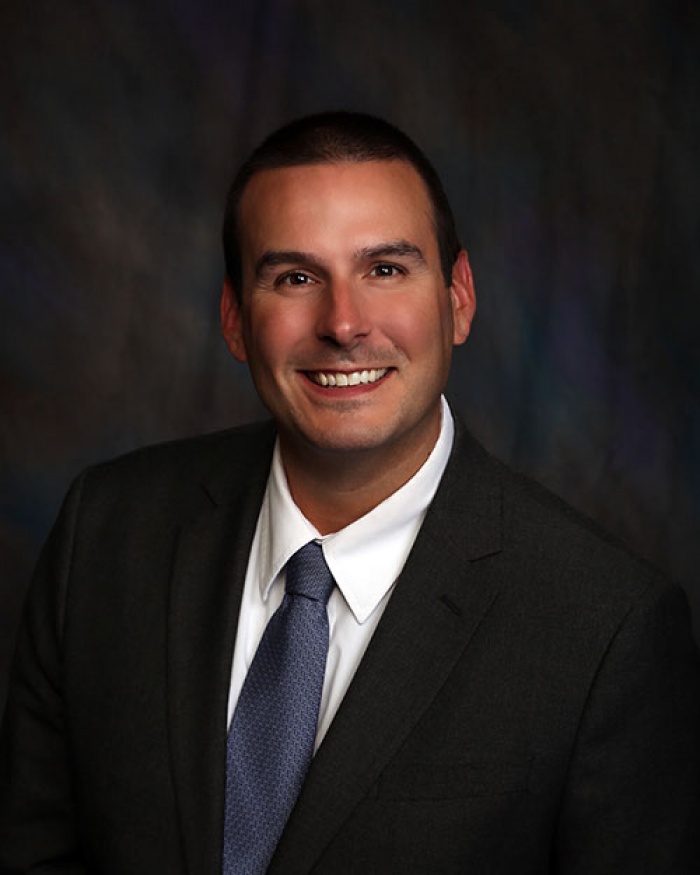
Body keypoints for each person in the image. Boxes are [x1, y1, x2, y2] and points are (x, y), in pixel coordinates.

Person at [1, 111, 699, 875]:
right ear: (235, 319)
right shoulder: (104, 534)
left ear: (459, 298)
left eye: (386, 270)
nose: (342, 322)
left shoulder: (607, 631)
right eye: (295, 277)